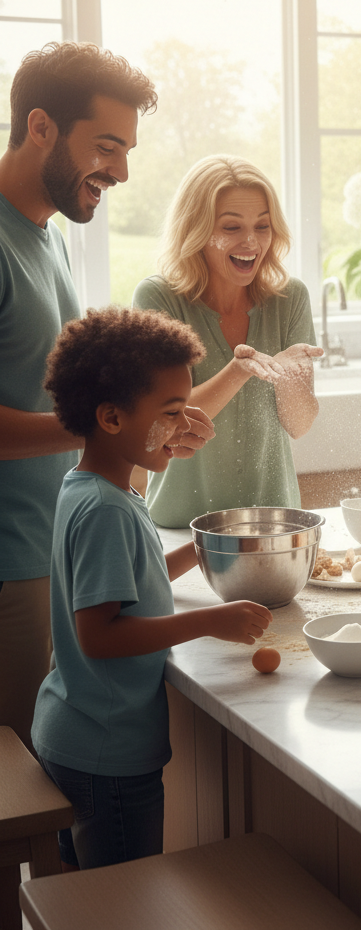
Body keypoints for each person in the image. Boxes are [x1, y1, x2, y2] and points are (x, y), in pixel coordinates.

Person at [0, 41, 212, 750]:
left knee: (59, 779)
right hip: (9, 566)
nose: (120, 172)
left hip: (53, 554)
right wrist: (106, 431)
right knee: (18, 802)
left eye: (127, 151)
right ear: (41, 128)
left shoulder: (47, 236)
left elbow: (62, 391)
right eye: (107, 147)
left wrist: (142, 431)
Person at [32, 305, 272, 869]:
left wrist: (204, 550)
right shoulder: (105, 510)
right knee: (123, 899)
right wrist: (211, 621)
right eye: (171, 413)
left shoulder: (96, 487)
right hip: (106, 756)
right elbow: (101, 634)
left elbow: (129, 587)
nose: (187, 426)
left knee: (88, 895)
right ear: (112, 419)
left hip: (74, 731)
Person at [133, 155, 323, 527]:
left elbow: (299, 425)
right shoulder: (158, 299)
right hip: (179, 525)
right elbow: (160, 426)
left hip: (273, 521)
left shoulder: (290, 298)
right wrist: (238, 371)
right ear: (197, 229)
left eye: (262, 226)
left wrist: (288, 377)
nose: (251, 242)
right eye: (232, 227)